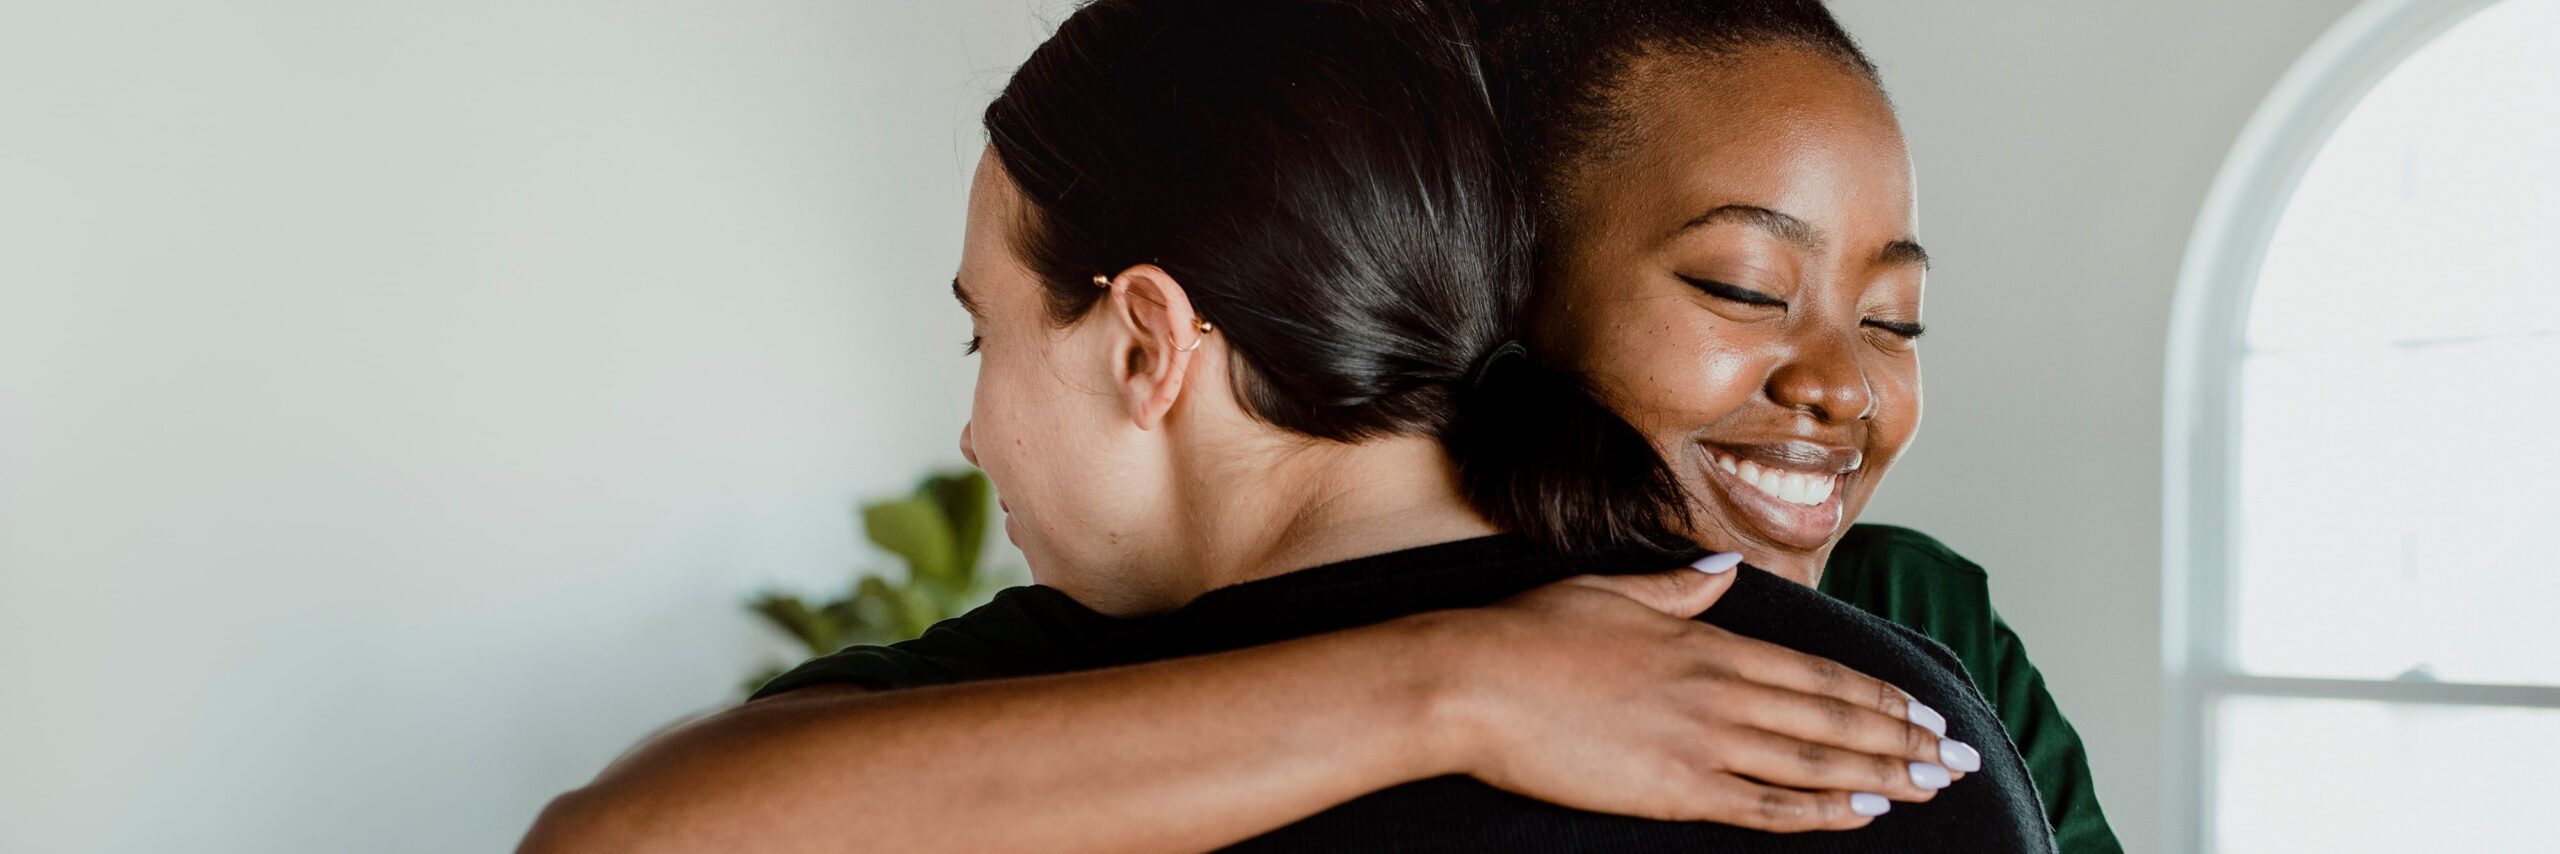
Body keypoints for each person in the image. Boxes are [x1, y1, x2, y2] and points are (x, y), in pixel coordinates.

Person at [518, 1, 2054, 851]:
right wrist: (1451, 687)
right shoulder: (1898, 720)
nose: (975, 435)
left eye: (986, 333)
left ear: (1147, 341)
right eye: (1740, 289)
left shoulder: (1026, 733)